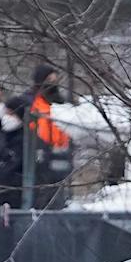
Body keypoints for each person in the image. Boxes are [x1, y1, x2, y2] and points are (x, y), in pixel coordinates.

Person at [28, 63, 76, 208]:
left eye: (55, 80)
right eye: (49, 79)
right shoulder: (32, 102)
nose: (53, 83)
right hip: (40, 156)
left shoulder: (62, 102)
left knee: (59, 194)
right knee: (41, 194)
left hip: (62, 155)